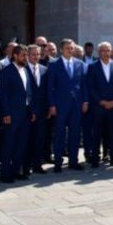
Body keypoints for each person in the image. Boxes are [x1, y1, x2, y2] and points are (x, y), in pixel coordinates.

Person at [48, 39, 88, 172]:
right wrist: (52, 105)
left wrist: (85, 101)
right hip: (60, 105)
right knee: (59, 134)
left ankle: (73, 161)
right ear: (61, 50)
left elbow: (84, 85)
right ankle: (58, 162)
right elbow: (50, 87)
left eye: (72, 48)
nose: (70, 50)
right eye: (67, 48)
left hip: (76, 104)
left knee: (75, 134)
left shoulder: (80, 64)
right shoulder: (54, 65)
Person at [86, 42, 113, 167]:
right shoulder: (92, 67)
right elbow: (91, 88)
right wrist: (101, 101)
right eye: (102, 50)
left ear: (111, 51)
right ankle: (95, 159)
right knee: (97, 133)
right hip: (98, 107)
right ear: (98, 52)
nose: (105, 53)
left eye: (107, 50)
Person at [0, 44, 33, 182]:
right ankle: (5, 174)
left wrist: (32, 110)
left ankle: (16, 171)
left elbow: (29, 92)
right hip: (12, 114)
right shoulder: (6, 72)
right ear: (15, 55)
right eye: (23, 55)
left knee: (21, 143)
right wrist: (6, 113)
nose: (26, 58)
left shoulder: (26, 70)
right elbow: (3, 95)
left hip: (25, 114)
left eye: (27, 55)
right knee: (9, 144)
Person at [23, 44, 49, 175]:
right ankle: (26, 166)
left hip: (42, 112)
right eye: (33, 54)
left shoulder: (44, 69)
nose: (36, 57)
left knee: (40, 138)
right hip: (27, 112)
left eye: (38, 54)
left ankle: (38, 164)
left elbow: (47, 91)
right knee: (27, 139)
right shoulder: (23, 69)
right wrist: (31, 110)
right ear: (27, 55)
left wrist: (49, 107)